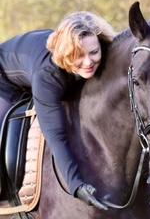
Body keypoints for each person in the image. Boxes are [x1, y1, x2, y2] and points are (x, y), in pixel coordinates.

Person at [0, 11, 116, 210]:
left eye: (94, 52)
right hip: (4, 79)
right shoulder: (48, 75)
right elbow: (55, 135)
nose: (88, 62)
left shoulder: (101, 51)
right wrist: (75, 185)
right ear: (68, 53)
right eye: (79, 55)